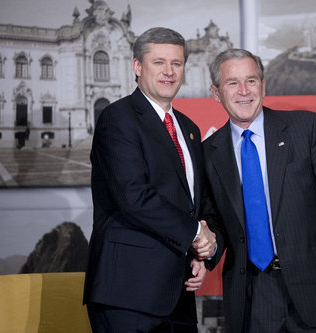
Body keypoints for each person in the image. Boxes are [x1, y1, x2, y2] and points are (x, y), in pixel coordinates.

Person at [203, 48, 316, 332]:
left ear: (263, 86)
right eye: (232, 83)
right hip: (254, 293)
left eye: (251, 81)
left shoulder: (308, 128)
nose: (244, 91)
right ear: (216, 92)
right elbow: (215, 221)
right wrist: (205, 247)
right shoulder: (209, 153)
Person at [83, 27, 216, 333]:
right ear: (137, 67)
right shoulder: (118, 118)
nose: (169, 72)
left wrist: (204, 251)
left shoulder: (189, 128)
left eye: (177, 63)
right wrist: (196, 233)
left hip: (178, 292)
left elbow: (199, 201)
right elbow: (133, 196)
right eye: (159, 62)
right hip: (127, 292)